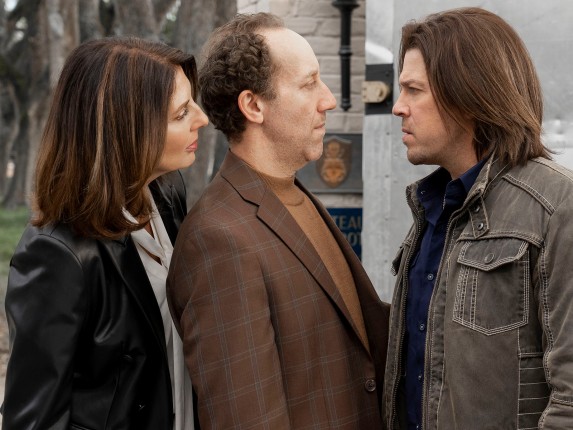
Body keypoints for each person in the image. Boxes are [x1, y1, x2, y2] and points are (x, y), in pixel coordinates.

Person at [167, 12, 390, 429]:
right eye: (309, 84)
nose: (328, 99)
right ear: (253, 105)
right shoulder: (218, 239)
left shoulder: (290, 194)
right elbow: (246, 418)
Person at [3, 36, 208, 429]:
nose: (202, 119)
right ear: (127, 130)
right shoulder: (58, 255)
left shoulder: (167, 193)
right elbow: (34, 419)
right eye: (182, 113)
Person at [383, 6, 573, 430]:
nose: (398, 107)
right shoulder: (434, 208)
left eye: (413, 90)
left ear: (467, 95)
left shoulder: (557, 205)